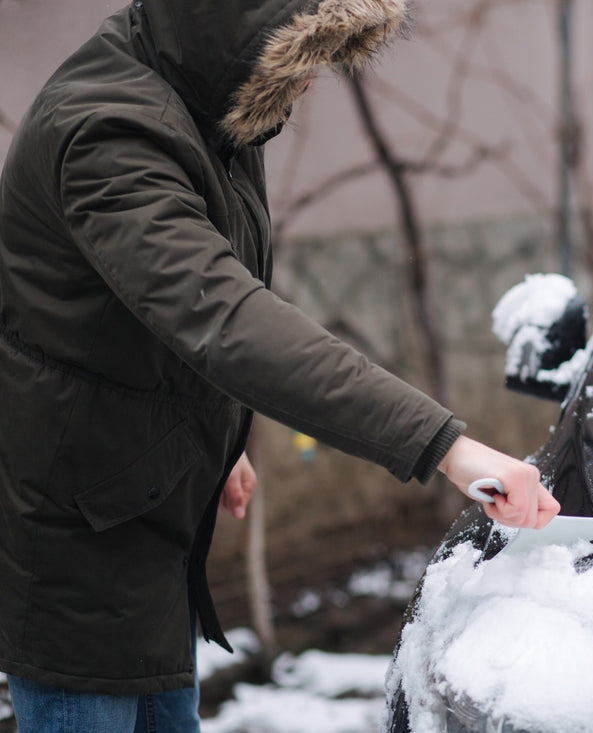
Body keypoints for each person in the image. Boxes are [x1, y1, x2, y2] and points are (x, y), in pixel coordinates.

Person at [0, 0, 560, 730]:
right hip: (76, 536)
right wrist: (446, 446)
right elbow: (227, 318)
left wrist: (212, 435)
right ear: (235, 26)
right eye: (297, 59)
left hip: (139, 510)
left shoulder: (203, 98)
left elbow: (162, 303)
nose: (306, 83)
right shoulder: (110, 133)